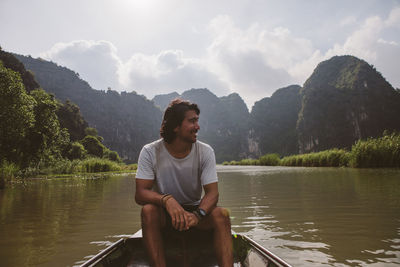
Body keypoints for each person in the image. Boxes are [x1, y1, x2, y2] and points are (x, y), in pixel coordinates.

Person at [135, 98, 233, 267]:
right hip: (166, 214)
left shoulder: (205, 151)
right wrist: (166, 200)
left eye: (197, 121)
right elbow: (141, 193)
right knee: (148, 211)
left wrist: (198, 215)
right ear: (175, 126)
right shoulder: (150, 152)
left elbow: (212, 193)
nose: (198, 126)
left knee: (221, 215)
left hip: (195, 213)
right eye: (192, 121)